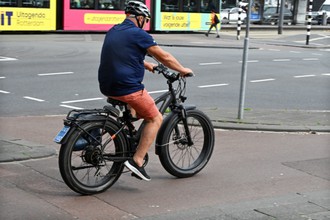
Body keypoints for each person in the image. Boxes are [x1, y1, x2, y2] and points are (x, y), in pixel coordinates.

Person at [98, 1, 193, 181]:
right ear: (140, 18)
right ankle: (137, 161)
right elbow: (163, 56)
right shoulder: (139, 34)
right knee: (155, 118)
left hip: (107, 85)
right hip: (127, 87)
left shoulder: (114, 30)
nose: (145, 23)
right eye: (145, 20)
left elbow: (122, 54)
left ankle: (124, 133)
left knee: (135, 110)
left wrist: (145, 63)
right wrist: (182, 70)